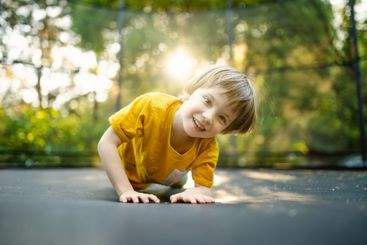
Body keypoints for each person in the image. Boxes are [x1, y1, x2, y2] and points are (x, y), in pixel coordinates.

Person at [97, 64, 257, 204]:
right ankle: (180, 177)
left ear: (225, 129)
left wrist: (196, 192)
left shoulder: (207, 147)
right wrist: (126, 190)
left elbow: (204, 188)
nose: (208, 117)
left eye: (222, 118)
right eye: (207, 100)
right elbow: (106, 143)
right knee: (173, 176)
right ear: (192, 91)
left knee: (178, 180)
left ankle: (180, 179)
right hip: (133, 175)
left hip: (168, 174)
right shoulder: (151, 107)